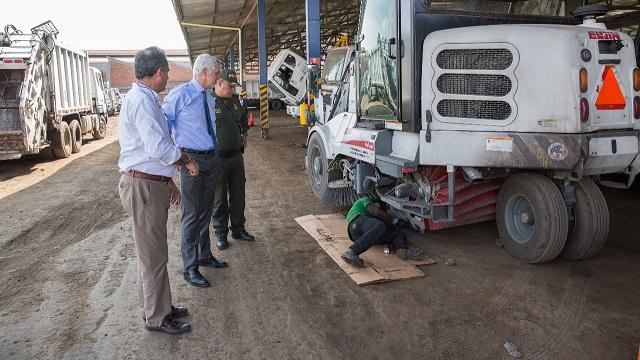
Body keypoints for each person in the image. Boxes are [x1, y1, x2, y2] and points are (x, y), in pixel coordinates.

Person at [118, 46, 198, 335]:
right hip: (144, 186)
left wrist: (169, 180)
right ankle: (157, 317)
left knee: (153, 254)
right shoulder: (141, 101)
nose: (167, 78)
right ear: (158, 72)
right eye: (166, 73)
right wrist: (185, 161)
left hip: (151, 182)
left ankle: (158, 306)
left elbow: (150, 152)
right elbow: (157, 147)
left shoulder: (145, 99)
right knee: (153, 256)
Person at [162, 54, 228, 288]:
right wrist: (177, 158)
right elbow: (164, 125)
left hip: (211, 158)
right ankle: (190, 267)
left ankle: (204, 254)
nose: (218, 77)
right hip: (192, 160)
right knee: (191, 215)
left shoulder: (208, 97)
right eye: (216, 73)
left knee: (205, 210)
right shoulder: (180, 95)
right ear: (204, 73)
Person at [211, 73, 255, 250]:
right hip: (218, 159)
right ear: (219, 84)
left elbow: (243, 118)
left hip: (237, 157)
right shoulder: (208, 102)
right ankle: (221, 234)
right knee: (220, 198)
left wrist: (244, 133)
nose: (233, 89)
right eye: (230, 86)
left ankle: (238, 228)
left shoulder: (235, 100)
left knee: (238, 194)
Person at [341, 196, 424, 267]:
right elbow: (375, 212)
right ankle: (352, 251)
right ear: (375, 202)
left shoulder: (371, 222)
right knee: (379, 225)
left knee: (398, 233)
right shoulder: (365, 200)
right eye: (379, 206)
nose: (379, 208)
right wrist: (393, 220)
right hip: (356, 224)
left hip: (365, 236)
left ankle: (401, 249)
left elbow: (383, 226)